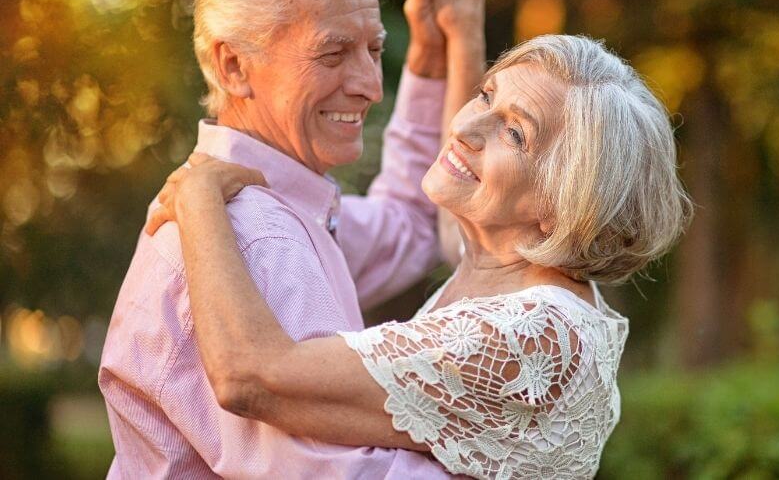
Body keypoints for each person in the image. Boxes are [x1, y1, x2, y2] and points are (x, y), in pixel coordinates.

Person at [146, 33, 693, 479]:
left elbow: (253, 378)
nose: (465, 128)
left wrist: (198, 197)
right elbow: (451, 232)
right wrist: (453, 24)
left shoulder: (532, 336)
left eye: (515, 133)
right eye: (485, 94)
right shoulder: (502, 269)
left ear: (564, 204)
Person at [98, 0, 491, 477]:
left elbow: (411, 226)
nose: (369, 85)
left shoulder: (280, 211)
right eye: (333, 54)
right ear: (234, 66)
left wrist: (434, 47)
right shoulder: (261, 238)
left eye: (374, 49)